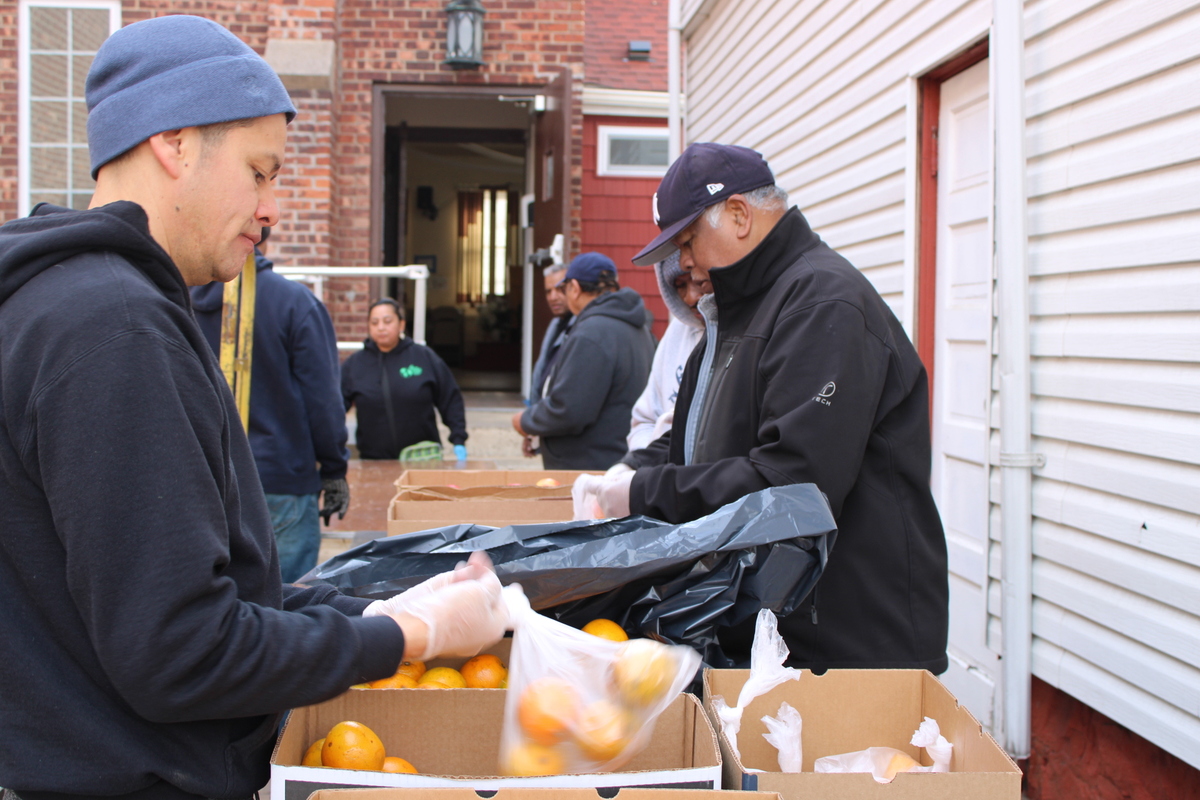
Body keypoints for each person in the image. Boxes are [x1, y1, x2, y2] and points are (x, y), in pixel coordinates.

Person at [0, 16, 506, 800]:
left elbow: (191, 592)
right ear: (174, 143)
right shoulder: (115, 327)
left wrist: (377, 608)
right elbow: (183, 651)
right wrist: (408, 636)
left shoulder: (62, 302)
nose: (271, 209)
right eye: (260, 172)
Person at [584, 143, 948, 673]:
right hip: (778, 624)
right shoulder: (735, 313)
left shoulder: (822, 303)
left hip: (850, 640)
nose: (683, 263)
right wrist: (632, 471)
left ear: (738, 215)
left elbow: (793, 485)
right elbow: (696, 434)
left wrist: (644, 492)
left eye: (686, 241)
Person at [190, 226, 350, 583]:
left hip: (201, 478)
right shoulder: (294, 303)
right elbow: (323, 402)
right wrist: (334, 469)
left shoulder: (176, 303)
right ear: (264, 236)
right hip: (280, 479)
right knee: (286, 599)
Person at [511, 252, 655, 469]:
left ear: (575, 288)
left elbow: (569, 410)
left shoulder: (592, 333)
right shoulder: (640, 329)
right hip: (621, 459)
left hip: (588, 469)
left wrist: (525, 421)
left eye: (564, 288)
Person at [341, 298, 469, 461]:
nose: (381, 327)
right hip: (374, 460)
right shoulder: (355, 364)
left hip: (423, 457)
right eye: (374, 322)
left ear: (401, 324)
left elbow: (450, 398)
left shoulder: (423, 357)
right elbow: (335, 407)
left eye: (387, 321)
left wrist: (458, 438)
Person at [624, 252, 709, 452]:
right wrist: (652, 460)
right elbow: (643, 422)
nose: (690, 297)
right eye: (680, 285)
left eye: (697, 281)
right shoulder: (676, 333)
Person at [524, 263, 572, 459]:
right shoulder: (555, 325)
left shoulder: (582, 328)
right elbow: (541, 374)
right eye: (548, 291)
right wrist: (532, 429)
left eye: (560, 289)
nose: (553, 297)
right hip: (548, 430)